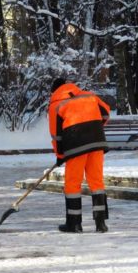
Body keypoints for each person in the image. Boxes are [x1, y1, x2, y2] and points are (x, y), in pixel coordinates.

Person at [48, 78, 111, 233]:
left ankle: (74, 224)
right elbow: (106, 112)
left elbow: (56, 135)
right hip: (96, 142)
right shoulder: (88, 96)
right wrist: (93, 127)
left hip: (75, 145)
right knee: (96, 182)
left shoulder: (56, 104)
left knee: (73, 183)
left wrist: (60, 154)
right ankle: (100, 223)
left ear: (54, 91)